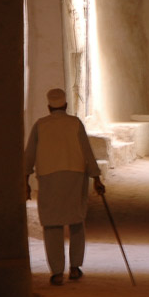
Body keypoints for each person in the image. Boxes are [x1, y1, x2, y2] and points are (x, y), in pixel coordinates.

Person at [24, 88, 105, 286]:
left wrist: (24, 180)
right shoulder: (75, 123)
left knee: (52, 224)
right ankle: (75, 268)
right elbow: (87, 150)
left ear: (49, 107)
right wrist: (96, 177)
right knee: (76, 220)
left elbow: (29, 155)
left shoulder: (40, 125)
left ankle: (57, 272)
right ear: (66, 105)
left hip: (49, 178)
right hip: (75, 176)